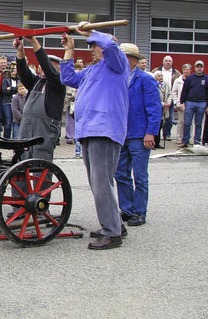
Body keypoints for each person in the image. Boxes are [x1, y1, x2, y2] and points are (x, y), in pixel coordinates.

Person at [60, 22, 130, 250]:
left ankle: (112, 233)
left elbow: (109, 44)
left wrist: (90, 32)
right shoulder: (92, 70)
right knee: (99, 183)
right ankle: (116, 224)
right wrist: (69, 49)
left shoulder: (117, 64)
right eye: (89, 45)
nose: (90, 48)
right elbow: (67, 78)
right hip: (89, 130)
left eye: (94, 45)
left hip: (104, 130)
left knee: (101, 184)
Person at [114, 43, 161, 228]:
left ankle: (140, 211)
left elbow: (154, 108)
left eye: (123, 57)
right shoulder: (118, 79)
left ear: (131, 60)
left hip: (140, 134)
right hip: (121, 134)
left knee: (140, 176)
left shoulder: (145, 79)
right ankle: (127, 208)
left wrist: (151, 133)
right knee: (120, 173)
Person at [14, 36, 66, 162]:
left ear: (58, 71)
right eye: (42, 66)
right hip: (27, 128)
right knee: (21, 162)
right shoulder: (36, 82)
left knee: (41, 166)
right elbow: (22, 72)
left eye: (50, 67)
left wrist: (33, 41)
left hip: (44, 130)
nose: (44, 69)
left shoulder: (58, 84)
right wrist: (20, 50)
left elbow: (48, 69)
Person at [179, 60, 208, 148]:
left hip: (202, 103)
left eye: (201, 67)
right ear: (195, 68)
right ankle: (185, 141)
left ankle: (197, 142)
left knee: (198, 124)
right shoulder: (190, 78)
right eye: (197, 67)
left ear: (203, 68)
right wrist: (182, 102)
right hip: (190, 102)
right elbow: (185, 90)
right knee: (187, 123)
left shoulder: (206, 79)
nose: (199, 69)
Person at [151, 56, 181, 141]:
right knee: (157, 119)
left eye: (169, 61)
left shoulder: (176, 73)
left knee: (169, 118)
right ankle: (156, 137)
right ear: (163, 62)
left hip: (169, 99)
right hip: (158, 100)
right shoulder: (155, 71)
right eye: (166, 61)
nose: (168, 62)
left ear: (172, 62)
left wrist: (169, 101)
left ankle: (167, 134)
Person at [171, 64, 191, 144]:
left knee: (190, 122)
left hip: (190, 103)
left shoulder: (192, 79)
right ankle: (179, 138)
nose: (186, 71)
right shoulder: (178, 80)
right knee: (181, 122)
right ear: (182, 70)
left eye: (188, 69)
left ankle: (189, 138)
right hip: (180, 104)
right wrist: (176, 103)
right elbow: (174, 92)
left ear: (190, 70)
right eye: (185, 69)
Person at [153, 70, 172, 149]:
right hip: (156, 107)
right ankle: (152, 143)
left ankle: (157, 142)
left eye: (161, 76)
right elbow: (153, 96)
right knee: (155, 125)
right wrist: (161, 103)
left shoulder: (166, 85)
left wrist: (168, 102)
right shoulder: (153, 84)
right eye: (159, 76)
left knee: (161, 125)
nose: (161, 77)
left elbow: (170, 93)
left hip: (164, 108)